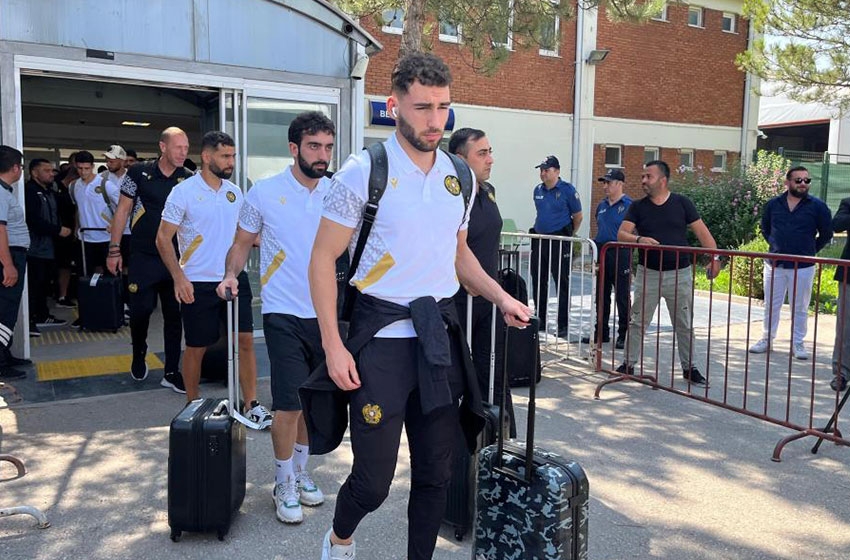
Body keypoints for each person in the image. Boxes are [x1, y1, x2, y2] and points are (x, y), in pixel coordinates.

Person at [306, 52, 530, 560]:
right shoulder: (364, 171)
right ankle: (339, 540)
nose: (435, 120)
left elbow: (458, 253)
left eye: (443, 107)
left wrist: (500, 296)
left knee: (436, 473)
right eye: (423, 107)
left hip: (437, 340)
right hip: (379, 341)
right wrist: (333, 345)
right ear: (394, 106)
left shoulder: (460, 176)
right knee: (372, 482)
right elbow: (322, 259)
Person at [217, 112, 337, 525]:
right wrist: (230, 274)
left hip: (326, 314)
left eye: (328, 147)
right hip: (283, 311)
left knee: (311, 404)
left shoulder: (337, 192)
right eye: (314, 146)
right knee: (288, 404)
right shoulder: (265, 193)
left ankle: (300, 472)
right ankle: (282, 481)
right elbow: (241, 243)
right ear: (294, 148)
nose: (322, 155)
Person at [157, 131, 272, 433]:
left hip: (234, 277)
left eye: (233, 156)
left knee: (245, 341)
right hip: (196, 281)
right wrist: (179, 278)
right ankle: (192, 405)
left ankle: (251, 404)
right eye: (225, 156)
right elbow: (163, 239)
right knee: (197, 347)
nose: (231, 162)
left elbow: (245, 235)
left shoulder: (235, 192)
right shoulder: (183, 192)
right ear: (207, 157)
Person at [615, 160, 720, 387]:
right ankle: (628, 364)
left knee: (684, 323)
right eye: (643, 176)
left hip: (680, 274)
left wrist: (715, 258)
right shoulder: (637, 207)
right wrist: (639, 239)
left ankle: (690, 368)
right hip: (648, 273)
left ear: (663, 180)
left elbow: (702, 233)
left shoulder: (682, 203)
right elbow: (622, 234)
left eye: (648, 176)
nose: (643, 180)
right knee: (637, 321)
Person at [107, 127, 190, 393]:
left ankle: (171, 370)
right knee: (141, 311)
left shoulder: (188, 178)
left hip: (175, 259)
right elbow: (122, 210)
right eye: (178, 147)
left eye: (186, 148)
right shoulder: (138, 172)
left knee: (174, 316)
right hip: (143, 256)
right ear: (163, 147)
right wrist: (114, 249)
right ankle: (138, 352)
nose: (183, 153)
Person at [448, 127, 515, 434]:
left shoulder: (488, 191)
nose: (490, 159)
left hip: (489, 296)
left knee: (494, 372)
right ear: (460, 159)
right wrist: (462, 276)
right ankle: (460, 443)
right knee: (457, 375)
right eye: (482, 153)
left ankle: (498, 439)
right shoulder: (450, 197)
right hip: (458, 299)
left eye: (490, 152)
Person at [748, 166, 833, 359]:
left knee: (800, 307)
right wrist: (775, 245)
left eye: (806, 180)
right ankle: (767, 339)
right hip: (775, 264)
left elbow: (826, 233)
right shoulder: (773, 205)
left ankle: (798, 343)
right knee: (771, 305)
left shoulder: (818, 206)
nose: (803, 184)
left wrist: (810, 250)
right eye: (798, 180)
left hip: (803, 266)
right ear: (787, 182)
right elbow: (766, 228)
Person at [530, 155, 582, 338]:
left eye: (547, 170)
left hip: (559, 239)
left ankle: (563, 324)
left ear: (557, 171)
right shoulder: (538, 190)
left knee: (561, 282)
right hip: (540, 239)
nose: (543, 173)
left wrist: (568, 234)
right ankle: (540, 319)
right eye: (541, 170)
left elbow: (578, 216)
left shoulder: (567, 190)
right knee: (538, 280)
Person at [582, 169, 631, 348]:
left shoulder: (629, 205)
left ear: (619, 184)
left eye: (608, 182)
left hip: (620, 252)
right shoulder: (601, 205)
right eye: (604, 183)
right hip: (602, 252)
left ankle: (624, 333)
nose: (605, 186)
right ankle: (601, 332)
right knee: (601, 295)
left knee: (622, 296)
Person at [25, 158, 71, 334]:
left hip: (49, 247)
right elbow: (33, 220)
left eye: (52, 171)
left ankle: (42, 314)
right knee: (34, 284)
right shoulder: (30, 192)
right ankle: (30, 320)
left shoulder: (49, 192)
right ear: (34, 173)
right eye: (46, 170)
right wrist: (57, 230)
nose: (51, 174)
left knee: (44, 283)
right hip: (35, 247)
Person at [0, 146, 33, 379]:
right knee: (5, 309)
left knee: (8, 308)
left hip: (12, 254)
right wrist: (8, 264)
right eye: (20, 166)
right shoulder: (1, 193)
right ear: (14, 168)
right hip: (9, 256)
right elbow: (0, 230)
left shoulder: (5, 191)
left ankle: (5, 353)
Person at [831, 196, 850, 392]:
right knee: (845, 325)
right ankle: (841, 373)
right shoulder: (848, 202)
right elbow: (836, 224)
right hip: (849, 275)